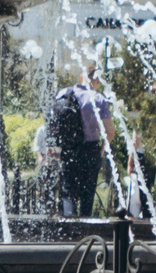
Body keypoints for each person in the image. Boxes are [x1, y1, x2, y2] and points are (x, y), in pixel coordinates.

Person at [45, 66, 113, 217]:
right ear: (96, 79)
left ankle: (69, 231)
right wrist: (101, 150)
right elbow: (110, 132)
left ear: (82, 76)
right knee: (87, 196)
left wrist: (53, 146)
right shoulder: (98, 98)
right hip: (90, 150)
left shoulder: (64, 93)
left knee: (68, 192)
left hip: (68, 150)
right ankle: (85, 234)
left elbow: (52, 120)